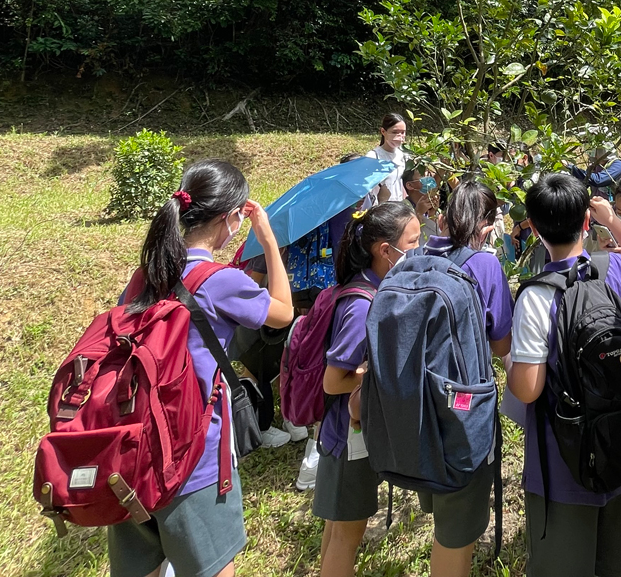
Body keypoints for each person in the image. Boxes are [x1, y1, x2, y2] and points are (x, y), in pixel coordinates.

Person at [109, 159, 294, 577]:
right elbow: (282, 313)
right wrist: (269, 242)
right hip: (195, 451)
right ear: (231, 219)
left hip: (134, 447)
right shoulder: (218, 280)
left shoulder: (145, 274)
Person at [507, 173, 621, 577]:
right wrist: (615, 223)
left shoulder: (537, 296)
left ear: (534, 229)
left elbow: (528, 388)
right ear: (587, 223)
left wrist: (508, 366)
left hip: (563, 464)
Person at [314, 201, 422, 577]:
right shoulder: (363, 305)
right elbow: (333, 380)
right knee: (348, 533)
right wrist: (374, 374)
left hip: (342, 434)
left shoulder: (370, 286)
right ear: (385, 251)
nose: (419, 249)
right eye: (413, 241)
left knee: (338, 525)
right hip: (349, 438)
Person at [415, 179, 514, 577]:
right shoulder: (485, 265)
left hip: (418, 404)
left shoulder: (417, 256)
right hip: (463, 408)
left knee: (444, 513)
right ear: (487, 226)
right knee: (457, 530)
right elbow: (500, 343)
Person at [368, 113, 408, 204]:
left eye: (402, 132)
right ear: (383, 131)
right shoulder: (373, 157)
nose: (399, 136)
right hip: (380, 209)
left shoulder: (403, 155)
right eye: (394, 132)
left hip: (398, 207)